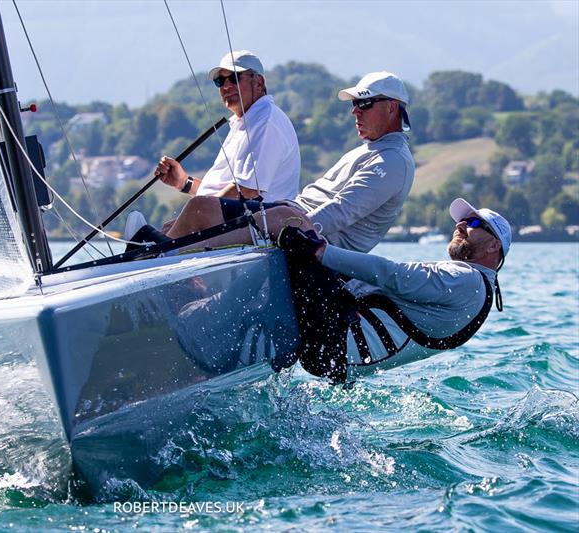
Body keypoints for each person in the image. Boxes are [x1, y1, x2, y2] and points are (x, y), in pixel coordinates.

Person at [126, 71, 414, 254]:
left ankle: (157, 256)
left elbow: (339, 214)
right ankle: (162, 251)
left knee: (200, 210)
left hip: (304, 235)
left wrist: (286, 226)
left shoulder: (392, 162)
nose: (355, 112)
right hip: (289, 219)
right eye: (353, 105)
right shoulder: (371, 151)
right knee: (186, 218)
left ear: (391, 108)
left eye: (364, 104)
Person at [273, 198, 512, 383]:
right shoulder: (477, 291)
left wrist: (319, 251)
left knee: (284, 219)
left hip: (331, 343)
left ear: (494, 245)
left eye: (474, 223)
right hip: (335, 359)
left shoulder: (467, 280)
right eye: (461, 221)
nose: (460, 225)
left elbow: (392, 275)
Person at [125, 50, 300, 244]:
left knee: (197, 209)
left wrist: (196, 216)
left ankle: (151, 256)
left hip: (265, 225)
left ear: (259, 82)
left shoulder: (266, 120)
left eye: (234, 78)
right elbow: (227, 191)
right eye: (220, 82)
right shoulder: (245, 122)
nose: (226, 86)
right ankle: (154, 251)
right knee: (178, 221)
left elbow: (248, 190)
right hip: (246, 217)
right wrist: (184, 183)